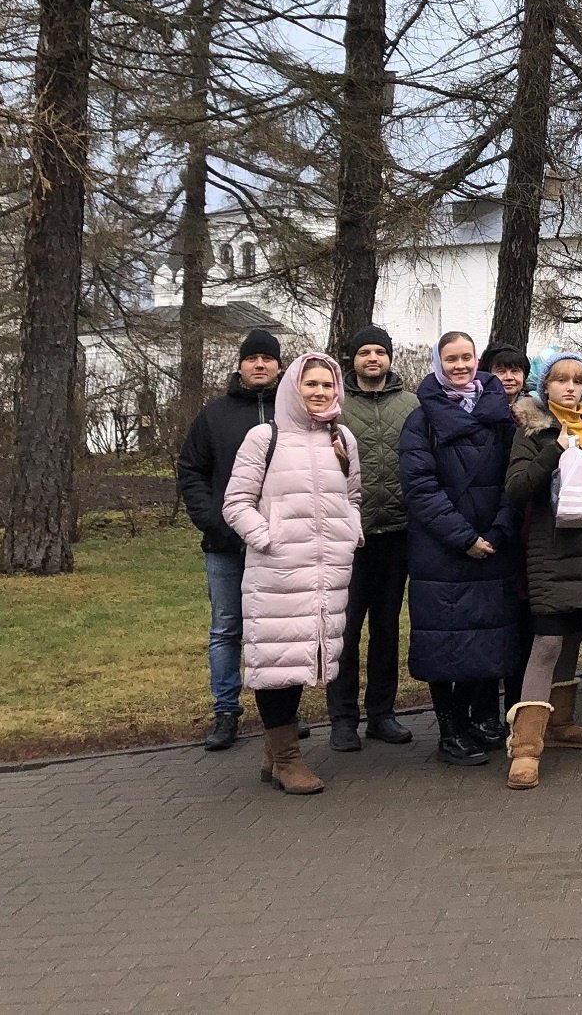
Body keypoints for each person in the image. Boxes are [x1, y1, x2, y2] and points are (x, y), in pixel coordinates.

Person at [218, 352, 363, 794]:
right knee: (277, 659)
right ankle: (287, 759)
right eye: (311, 384)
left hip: (328, 572)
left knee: (304, 660)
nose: (320, 392)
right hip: (277, 572)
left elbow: (353, 498)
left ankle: (273, 752)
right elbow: (235, 503)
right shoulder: (265, 437)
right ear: (293, 388)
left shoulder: (342, 437)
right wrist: (269, 539)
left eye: (327, 385)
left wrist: (350, 534)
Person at [400, 330, 519, 766]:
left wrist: (498, 531)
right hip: (443, 551)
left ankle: (475, 722)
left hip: (492, 545)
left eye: (467, 357)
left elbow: (514, 478)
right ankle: (449, 731)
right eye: (451, 358)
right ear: (438, 363)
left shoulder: (502, 415)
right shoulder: (421, 421)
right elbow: (420, 488)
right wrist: (464, 537)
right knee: (444, 642)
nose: (460, 366)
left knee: (482, 637)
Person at [500, 351, 582, 788]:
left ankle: (562, 722)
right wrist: (555, 449)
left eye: (577, 381)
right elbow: (517, 488)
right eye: (560, 379)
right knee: (548, 641)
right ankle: (526, 747)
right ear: (544, 385)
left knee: (574, 634)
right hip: (550, 552)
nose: (570, 388)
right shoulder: (532, 430)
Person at [176, 327, 281, 750]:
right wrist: (214, 522)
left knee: (275, 629)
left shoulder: (292, 414)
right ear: (239, 366)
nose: (259, 365)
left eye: (267, 358)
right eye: (252, 358)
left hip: (277, 544)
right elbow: (191, 470)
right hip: (225, 544)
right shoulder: (214, 416)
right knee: (226, 627)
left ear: (279, 366)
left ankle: (280, 717)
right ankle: (225, 711)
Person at [327, 326, 419, 751]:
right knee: (344, 631)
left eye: (379, 351)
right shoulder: (335, 405)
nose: (372, 359)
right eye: (364, 351)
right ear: (353, 359)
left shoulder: (411, 405)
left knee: (386, 629)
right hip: (349, 536)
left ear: (389, 358)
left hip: (397, 532)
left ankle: (382, 713)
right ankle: (343, 719)